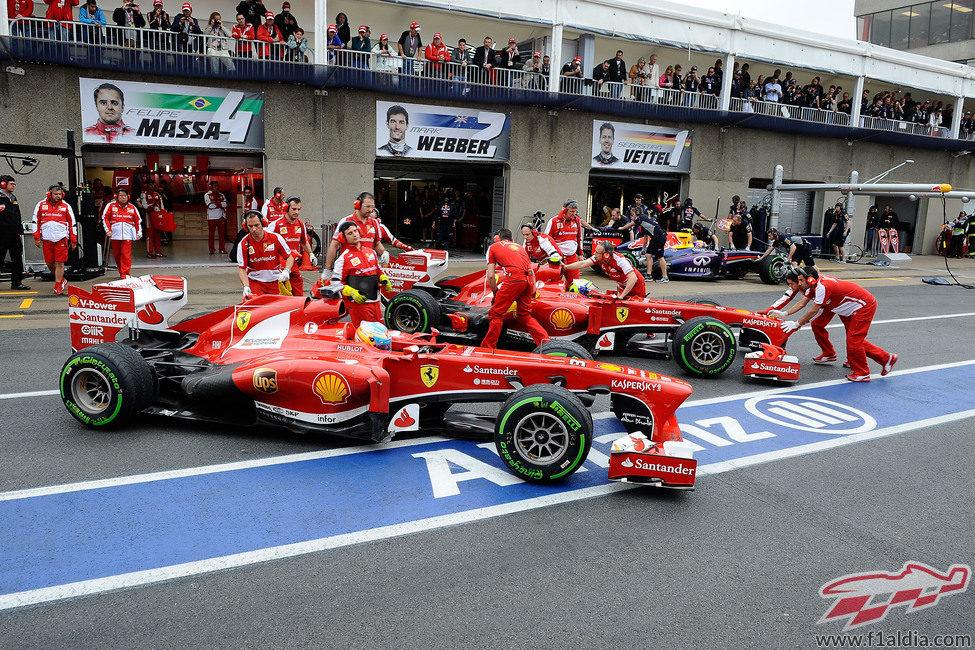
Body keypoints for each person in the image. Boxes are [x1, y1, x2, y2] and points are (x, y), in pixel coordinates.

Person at [781, 266, 897, 382]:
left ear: (810, 279)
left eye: (801, 280)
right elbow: (802, 303)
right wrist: (784, 314)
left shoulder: (822, 287)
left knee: (854, 341)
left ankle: (863, 373)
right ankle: (885, 358)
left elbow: (814, 310)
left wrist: (797, 324)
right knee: (852, 339)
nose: (799, 283)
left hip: (862, 307)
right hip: (845, 308)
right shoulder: (814, 285)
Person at [482, 228, 550, 349]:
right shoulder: (520, 247)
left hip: (514, 280)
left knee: (495, 313)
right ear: (512, 239)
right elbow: (531, 272)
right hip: (529, 281)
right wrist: (533, 290)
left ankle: (488, 347)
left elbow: (491, 276)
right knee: (524, 315)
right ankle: (547, 344)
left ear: (497, 239)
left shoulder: (493, 247)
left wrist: (495, 292)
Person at [762, 267, 836, 364]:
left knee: (852, 334)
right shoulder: (804, 285)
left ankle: (858, 359)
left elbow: (815, 310)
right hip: (830, 304)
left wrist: (798, 324)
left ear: (801, 281)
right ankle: (829, 353)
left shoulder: (816, 286)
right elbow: (792, 300)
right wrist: (770, 311)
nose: (790, 286)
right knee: (817, 325)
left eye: (792, 284)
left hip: (840, 303)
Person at [327, 221, 388, 327]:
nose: (355, 234)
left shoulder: (371, 252)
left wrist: (383, 278)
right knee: (366, 336)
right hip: (358, 305)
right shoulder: (342, 259)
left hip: (376, 302)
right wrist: (352, 292)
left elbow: (378, 271)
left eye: (355, 231)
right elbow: (336, 284)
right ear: (343, 238)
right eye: (350, 233)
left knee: (381, 334)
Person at [322, 191, 387, 275]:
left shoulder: (374, 223)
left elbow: (377, 243)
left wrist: (384, 252)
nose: (371, 210)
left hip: (369, 270)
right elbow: (334, 245)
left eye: (372, 207)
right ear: (358, 205)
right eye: (367, 207)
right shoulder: (346, 221)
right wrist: (327, 270)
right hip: (350, 270)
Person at [32, 185, 78, 295]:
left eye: (60, 194)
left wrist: (73, 240)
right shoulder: (40, 205)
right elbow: (35, 221)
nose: (58, 196)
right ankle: (61, 280)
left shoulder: (66, 206)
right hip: (47, 238)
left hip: (61, 238)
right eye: (56, 194)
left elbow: (73, 224)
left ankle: (58, 285)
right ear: (49, 194)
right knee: (49, 263)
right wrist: (37, 237)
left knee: (60, 262)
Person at [236, 210, 293, 297]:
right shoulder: (243, 244)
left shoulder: (275, 237)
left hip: (276, 282)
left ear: (263, 223)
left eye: (256, 225)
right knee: (257, 308)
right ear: (245, 226)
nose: (254, 229)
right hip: (255, 283)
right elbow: (242, 269)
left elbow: (289, 257)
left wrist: (286, 271)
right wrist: (246, 286)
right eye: (250, 226)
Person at [564, 240, 646, 299]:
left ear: (606, 255)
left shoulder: (620, 260)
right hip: (623, 286)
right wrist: (566, 267)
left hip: (636, 286)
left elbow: (633, 278)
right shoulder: (598, 258)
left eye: (597, 252)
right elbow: (582, 263)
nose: (594, 254)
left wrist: (622, 296)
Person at [267, 196, 314, 296]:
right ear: (286, 208)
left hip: (294, 265)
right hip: (279, 266)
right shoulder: (275, 225)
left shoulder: (300, 224)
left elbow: (304, 242)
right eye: (293, 209)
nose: (296, 212)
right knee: (282, 293)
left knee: (298, 291)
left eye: (298, 209)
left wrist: (311, 254)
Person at [101, 188, 142, 279]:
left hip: (128, 235)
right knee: (117, 255)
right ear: (116, 196)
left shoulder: (132, 207)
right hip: (114, 235)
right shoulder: (110, 206)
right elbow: (105, 218)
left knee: (126, 255)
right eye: (121, 196)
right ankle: (121, 272)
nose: (123, 198)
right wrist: (108, 230)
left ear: (128, 197)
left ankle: (125, 274)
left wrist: (139, 233)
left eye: (125, 196)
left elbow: (138, 220)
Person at [544, 199, 584, 289]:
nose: (574, 213)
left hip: (572, 257)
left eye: (575, 211)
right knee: (553, 284)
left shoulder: (577, 221)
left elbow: (579, 238)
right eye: (572, 211)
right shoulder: (554, 221)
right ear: (565, 210)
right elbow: (546, 240)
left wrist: (580, 253)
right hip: (557, 258)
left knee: (576, 284)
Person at [0, 176, 30, 291]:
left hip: (13, 234)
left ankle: (16, 283)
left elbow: (17, 215)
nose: (14, 186)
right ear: (3, 184)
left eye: (14, 184)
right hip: (1, 233)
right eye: (11, 183)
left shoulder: (13, 198)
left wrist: (20, 231)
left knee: (17, 259)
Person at [139, 181, 166, 258]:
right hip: (149, 216)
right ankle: (149, 252)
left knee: (158, 234)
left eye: (153, 184)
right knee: (149, 234)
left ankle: (158, 251)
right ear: (147, 185)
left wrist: (163, 214)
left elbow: (162, 206)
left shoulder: (157, 194)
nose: (152, 186)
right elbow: (144, 205)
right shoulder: (144, 194)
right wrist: (152, 207)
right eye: (150, 184)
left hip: (157, 216)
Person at [204, 180, 227, 254]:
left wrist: (216, 203)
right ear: (211, 187)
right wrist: (219, 204)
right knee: (211, 234)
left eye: (217, 186)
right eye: (214, 186)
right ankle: (211, 250)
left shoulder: (221, 195)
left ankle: (222, 249)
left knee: (222, 235)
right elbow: (210, 205)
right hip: (211, 217)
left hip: (221, 216)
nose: (216, 187)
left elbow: (225, 204)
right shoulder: (207, 195)